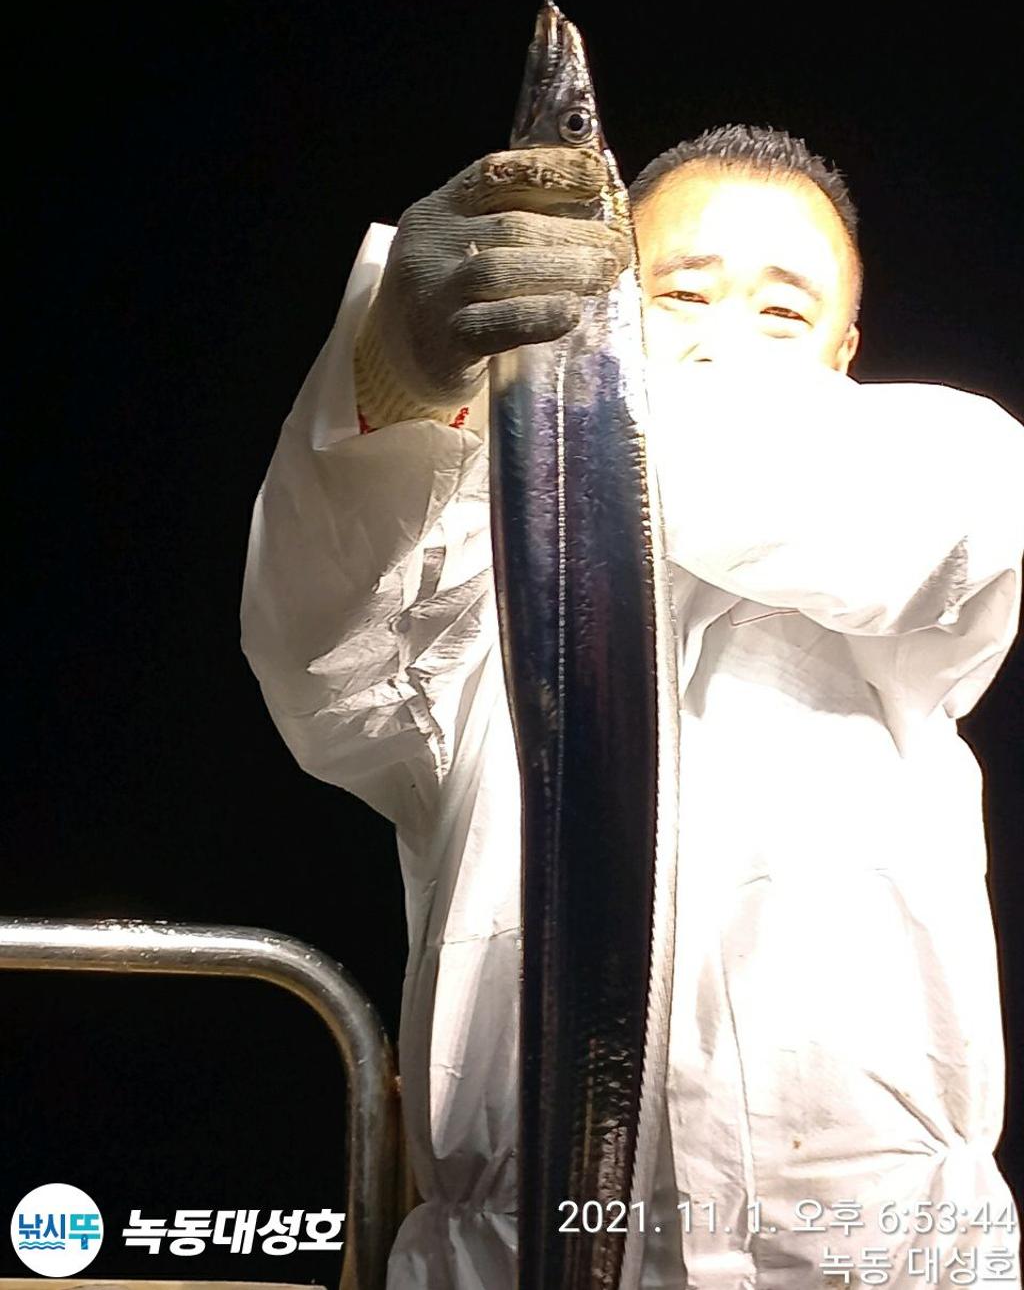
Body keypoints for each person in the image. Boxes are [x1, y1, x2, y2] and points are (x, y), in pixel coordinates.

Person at [241, 124, 1023, 1288]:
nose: (722, 342)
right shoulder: (475, 591)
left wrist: (556, 388)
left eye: (781, 311)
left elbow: (920, 520)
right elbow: (321, 650)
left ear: (846, 351)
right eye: (678, 295)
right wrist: (394, 371)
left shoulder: (944, 476)